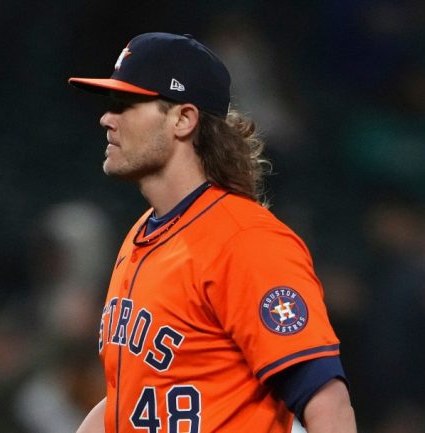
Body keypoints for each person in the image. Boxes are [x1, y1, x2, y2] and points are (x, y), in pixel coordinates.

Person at [67, 32, 356, 433]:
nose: (106, 118)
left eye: (127, 103)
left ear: (183, 120)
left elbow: (328, 403)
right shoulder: (139, 235)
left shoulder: (246, 240)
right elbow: (130, 398)